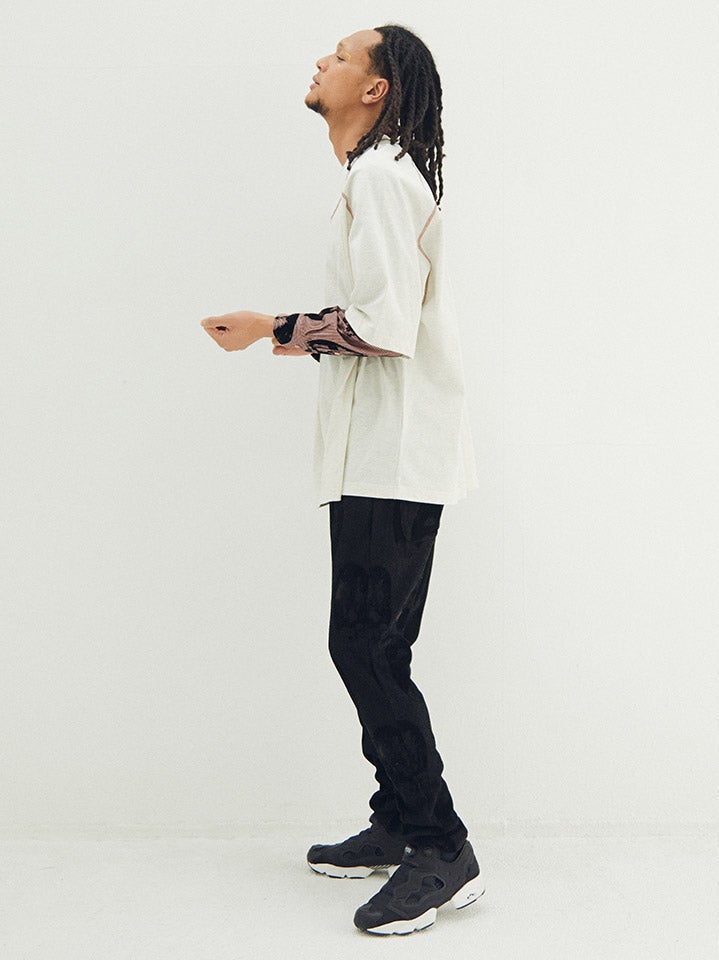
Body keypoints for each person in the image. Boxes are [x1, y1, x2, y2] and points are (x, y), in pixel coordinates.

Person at [200, 24, 482, 936]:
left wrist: (272, 327)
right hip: (384, 455)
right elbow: (379, 318)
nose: (322, 62)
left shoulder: (381, 178)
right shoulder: (377, 177)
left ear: (376, 88)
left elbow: (384, 326)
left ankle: (441, 845)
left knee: (362, 646)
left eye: (342, 55)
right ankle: (399, 819)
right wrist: (291, 334)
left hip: (393, 460)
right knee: (375, 646)